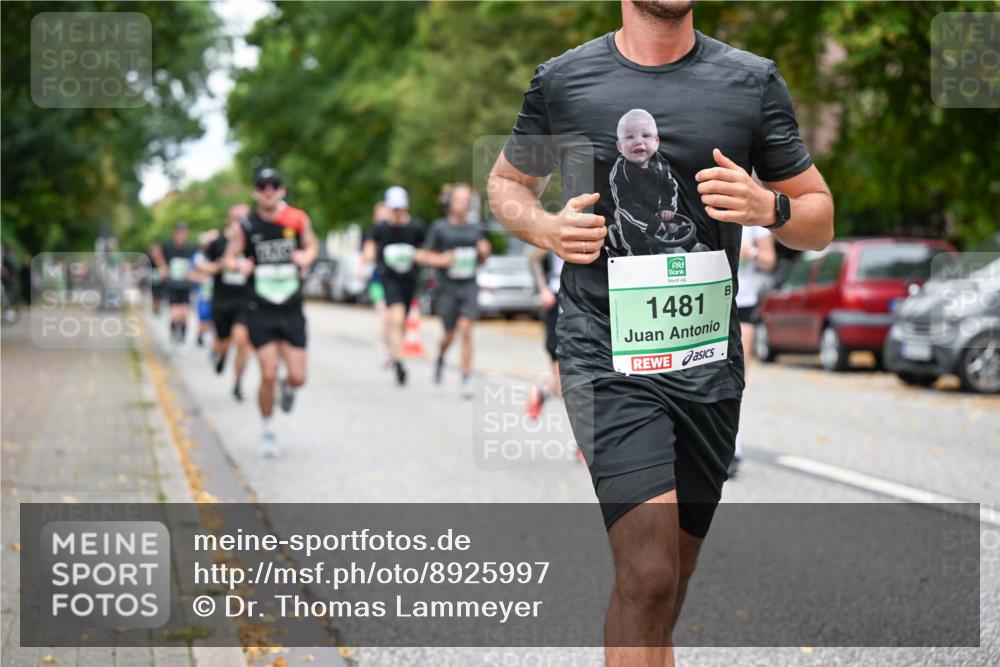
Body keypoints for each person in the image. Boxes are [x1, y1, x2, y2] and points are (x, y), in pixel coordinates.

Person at [488, 1, 834, 663]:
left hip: (707, 363)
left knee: (665, 587)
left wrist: (771, 207)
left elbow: (818, 218)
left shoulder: (749, 81)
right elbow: (508, 184)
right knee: (647, 576)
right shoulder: (565, 80)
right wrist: (547, 228)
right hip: (604, 352)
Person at [224, 169, 319, 457]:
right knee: (267, 374)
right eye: (262, 186)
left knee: (298, 377)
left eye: (273, 185)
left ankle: (288, 388)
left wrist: (307, 256)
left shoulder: (297, 219)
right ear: (255, 192)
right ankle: (267, 431)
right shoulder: (246, 225)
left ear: (281, 191)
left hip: (291, 309)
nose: (268, 190)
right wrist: (238, 264)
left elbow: (312, 245)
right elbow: (228, 257)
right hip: (260, 309)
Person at [418, 183, 491, 393]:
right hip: (447, 288)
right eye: (460, 199)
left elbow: (483, 260)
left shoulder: (475, 229)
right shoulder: (440, 228)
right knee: (449, 334)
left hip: (469, 285)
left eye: (467, 199)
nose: (464, 203)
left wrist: (484, 252)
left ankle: (466, 376)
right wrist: (441, 259)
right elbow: (423, 256)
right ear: (450, 203)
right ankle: (441, 356)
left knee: (467, 330)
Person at [361, 186, 426, 386]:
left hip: (410, 280)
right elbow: (369, 247)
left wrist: (421, 256)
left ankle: (396, 352)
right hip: (390, 280)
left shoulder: (416, 227)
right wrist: (367, 257)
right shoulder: (381, 229)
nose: (397, 212)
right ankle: (398, 362)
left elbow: (427, 250)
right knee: (395, 319)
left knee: (403, 322)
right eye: (394, 208)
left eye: (401, 208)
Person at [730, 224, 777, 476]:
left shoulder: (752, 217)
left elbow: (770, 260)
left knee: (737, 378)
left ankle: (732, 447)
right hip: (705, 304)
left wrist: (752, 254)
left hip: (742, 305)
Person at [198, 204, 252, 401]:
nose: (240, 221)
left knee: (242, 341)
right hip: (221, 300)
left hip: (245, 301)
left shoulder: (253, 241)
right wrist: (219, 265)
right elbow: (200, 266)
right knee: (223, 342)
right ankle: (220, 354)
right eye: (236, 217)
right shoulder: (217, 242)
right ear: (229, 219)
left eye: (244, 217)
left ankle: (238, 383)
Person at [526, 248, 564, 419]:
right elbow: (533, 259)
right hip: (557, 299)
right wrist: (542, 288)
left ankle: (542, 390)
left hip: (587, 300)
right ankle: (584, 442)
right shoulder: (562, 225)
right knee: (565, 384)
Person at [152, 222, 197, 346]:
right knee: (174, 312)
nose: (181, 236)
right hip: (172, 284)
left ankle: (182, 335)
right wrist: (163, 267)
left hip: (186, 284)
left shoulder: (191, 247)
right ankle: (173, 333)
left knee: (184, 312)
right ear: (174, 233)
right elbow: (158, 255)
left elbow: (197, 261)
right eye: (179, 233)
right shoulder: (167, 246)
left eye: (183, 233)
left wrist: (194, 272)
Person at [364, 201, 392, 367]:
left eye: (385, 214)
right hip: (377, 280)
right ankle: (384, 343)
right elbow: (367, 252)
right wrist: (361, 266)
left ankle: (390, 346)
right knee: (384, 314)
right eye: (380, 214)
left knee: (393, 317)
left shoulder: (394, 231)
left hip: (394, 281)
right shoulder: (373, 233)